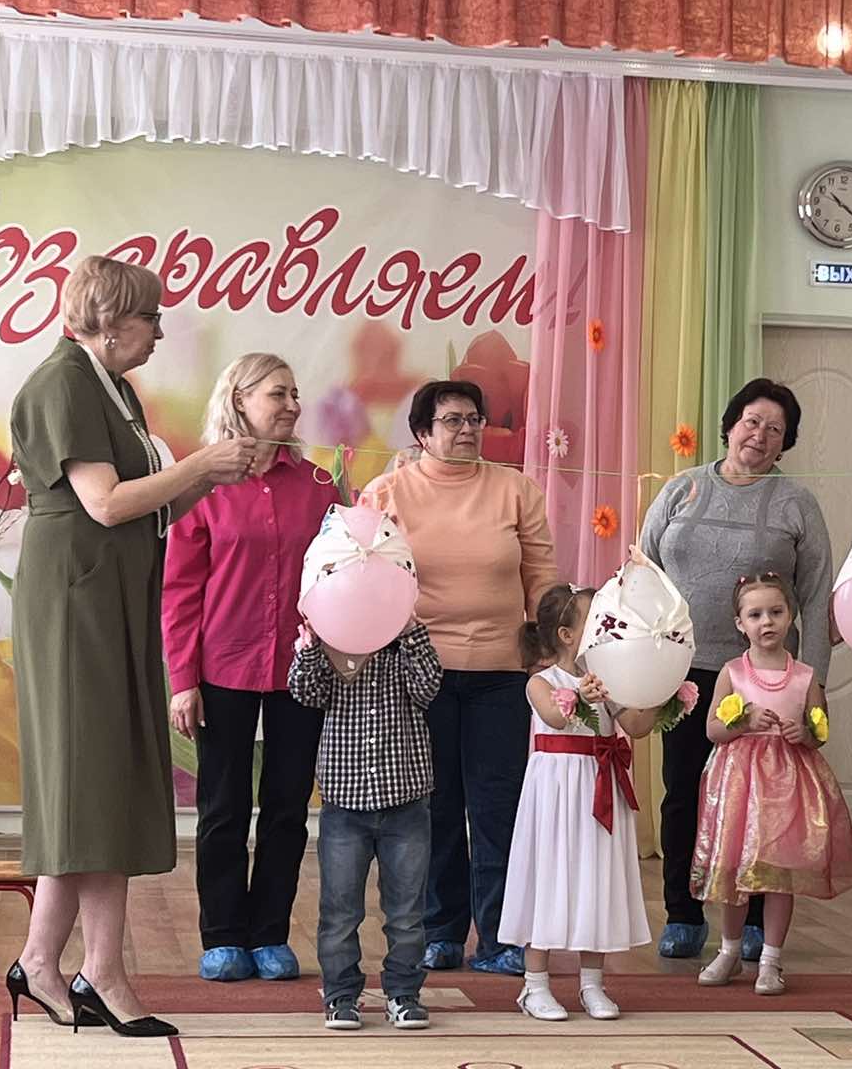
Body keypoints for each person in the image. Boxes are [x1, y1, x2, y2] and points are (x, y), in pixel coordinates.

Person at [4, 256, 256, 1037]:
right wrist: (200, 463)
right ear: (110, 322)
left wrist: (212, 476)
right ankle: (92, 970)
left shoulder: (110, 385)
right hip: (75, 600)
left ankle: (52, 962)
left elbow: (149, 508)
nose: (159, 331)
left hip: (108, 593)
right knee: (91, 777)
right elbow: (107, 504)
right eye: (151, 317)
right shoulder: (63, 383)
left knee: (99, 782)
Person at [364, 380, 560, 975]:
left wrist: (553, 653)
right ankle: (440, 931)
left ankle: (500, 938)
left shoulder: (515, 489)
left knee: (499, 808)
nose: (468, 429)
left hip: (502, 674)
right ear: (422, 433)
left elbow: (542, 578)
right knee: (434, 808)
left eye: (474, 419)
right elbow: (364, 577)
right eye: (452, 420)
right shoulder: (387, 492)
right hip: (418, 674)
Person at [640, 378, 833, 963]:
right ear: (730, 425)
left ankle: (752, 920)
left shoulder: (797, 503)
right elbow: (642, 574)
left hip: (766, 676)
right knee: (684, 793)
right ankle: (682, 913)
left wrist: (814, 687)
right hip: (682, 671)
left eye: (775, 429)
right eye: (752, 421)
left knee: (763, 803)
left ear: (785, 443)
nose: (760, 435)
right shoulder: (681, 489)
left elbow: (817, 596)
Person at [162, 354, 338, 983]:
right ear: (239, 400)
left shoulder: (320, 486)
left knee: (288, 808)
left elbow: (339, 577)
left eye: (295, 394)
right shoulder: (202, 485)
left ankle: (269, 934)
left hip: (301, 670)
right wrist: (183, 681)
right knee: (223, 807)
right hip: (222, 666)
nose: (292, 405)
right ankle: (222, 936)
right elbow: (180, 590)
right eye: (277, 394)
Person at [692, 572, 852, 996]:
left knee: (780, 873)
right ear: (740, 623)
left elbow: (820, 730)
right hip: (740, 784)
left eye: (776, 612)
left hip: (787, 784)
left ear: (790, 616)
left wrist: (805, 733)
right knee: (734, 870)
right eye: (755, 615)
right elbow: (712, 729)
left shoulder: (805, 676)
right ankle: (729, 950)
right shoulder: (732, 672)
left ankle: (770, 958)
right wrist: (742, 722)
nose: (766, 622)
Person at [500, 585, 658, 1021]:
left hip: (598, 784)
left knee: (596, 875)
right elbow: (554, 716)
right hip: (556, 792)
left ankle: (592, 984)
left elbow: (637, 726)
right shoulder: (540, 682)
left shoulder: (610, 679)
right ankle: (535, 985)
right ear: (567, 635)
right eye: (596, 620)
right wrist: (583, 697)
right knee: (548, 876)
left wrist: (656, 687)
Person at [288, 615, 443, 1033]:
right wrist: (312, 644)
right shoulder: (332, 642)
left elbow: (429, 688)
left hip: (405, 799)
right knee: (339, 911)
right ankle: (341, 995)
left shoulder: (407, 645)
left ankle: (404, 993)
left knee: (407, 912)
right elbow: (304, 692)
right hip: (345, 802)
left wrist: (410, 633)